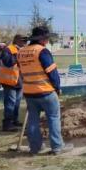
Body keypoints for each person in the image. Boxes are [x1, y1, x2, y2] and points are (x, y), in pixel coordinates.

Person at [17, 26, 72, 155]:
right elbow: (52, 72)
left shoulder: (21, 52)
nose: (47, 41)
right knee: (53, 118)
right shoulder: (42, 51)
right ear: (42, 39)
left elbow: (20, 72)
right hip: (46, 91)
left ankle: (35, 147)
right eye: (47, 38)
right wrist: (57, 88)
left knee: (33, 121)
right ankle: (57, 147)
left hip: (29, 93)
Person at [0, 34, 28, 132]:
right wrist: (19, 55)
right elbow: (7, 62)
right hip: (9, 81)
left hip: (19, 81)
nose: (25, 43)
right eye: (23, 40)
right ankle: (7, 124)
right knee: (10, 103)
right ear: (17, 40)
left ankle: (15, 120)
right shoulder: (8, 50)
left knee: (17, 103)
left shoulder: (22, 50)